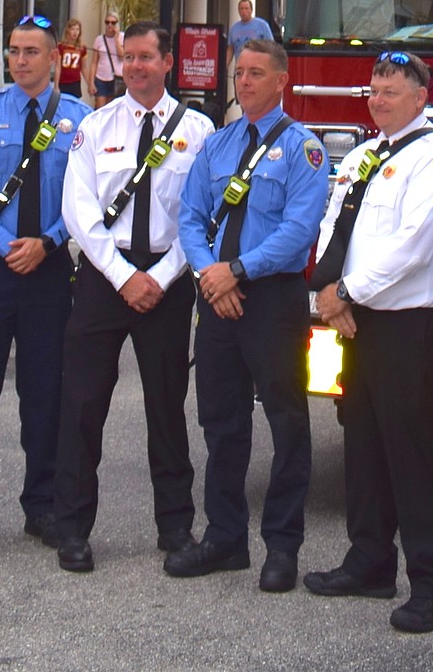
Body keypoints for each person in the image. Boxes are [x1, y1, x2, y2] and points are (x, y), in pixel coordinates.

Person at [303, 51, 433, 633]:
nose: (377, 99)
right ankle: (369, 562)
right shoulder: (362, 154)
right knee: (365, 449)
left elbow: (414, 245)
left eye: (391, 91)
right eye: (373, 90)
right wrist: (327, 291)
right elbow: (334, 225)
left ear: (421, 97)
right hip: (361, 323)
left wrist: (344, 291)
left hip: (412, 329)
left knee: (417, 457)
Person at [53, 21, 214, 573]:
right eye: (129, 57)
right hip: (105, 277)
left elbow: (199, 216)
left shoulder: (198, 129)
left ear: (168, 62)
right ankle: (72, 528)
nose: (137, 66)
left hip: (167, 281)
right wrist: (123, 276)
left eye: (147, 56)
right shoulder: (95, 126)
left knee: (167, 408)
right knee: (82, 406)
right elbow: (77, 209)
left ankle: (176, 528)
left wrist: (162, 277)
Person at [172, 39, 328, 593]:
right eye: (240, 73)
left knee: (286, 424)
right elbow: (190, 219)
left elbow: (298, 233)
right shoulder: (215, 146)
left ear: (282, 80)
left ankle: (282, 547)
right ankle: (224, 538)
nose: (245, 82)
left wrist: (235, 270)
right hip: (217, 297)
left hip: (271, 300)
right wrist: (211, 276)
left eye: (257, 73)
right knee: (221, 422)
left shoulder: (305, 149)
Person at [0, 15, 91, 556]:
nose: (20, 59)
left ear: (55, 58)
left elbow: (85, 202)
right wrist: (8, 244)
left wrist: (47, 243)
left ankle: (43, 505)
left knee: (45, 395)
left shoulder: (78, 120)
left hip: (48, 273)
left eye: (32, 51)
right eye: (14, 50)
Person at [89, 12, 124, 109]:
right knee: (100, 107)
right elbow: (94, 62)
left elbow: (122, 56)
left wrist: (116, 39)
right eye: (107, 22)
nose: (110, 25)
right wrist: (91, 82)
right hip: (101, 78)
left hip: (116, 78)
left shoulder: (122, 37)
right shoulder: (99, 40)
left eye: (113, 23)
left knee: (113, 109)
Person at [226, 0, 273, 68]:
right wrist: (224, 66)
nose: (244, 11)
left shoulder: (262, 25)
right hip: (240, 68)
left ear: (251, 10)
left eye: (246, 8)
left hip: (258, 68)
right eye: (241, 9)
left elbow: (271, 47)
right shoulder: (234, 28)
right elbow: (230, 49)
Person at [54, 18, 91, 99]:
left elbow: (84, 68)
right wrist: (56, 85)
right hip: (63, 82)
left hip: (75, 82)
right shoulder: (61, 47)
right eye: (73, 29)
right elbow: (58, 67)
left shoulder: (82, 48)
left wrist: (90, 84)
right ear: (68, 31)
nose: (75, 32)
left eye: (77, 29)